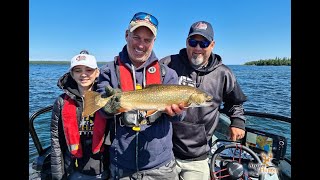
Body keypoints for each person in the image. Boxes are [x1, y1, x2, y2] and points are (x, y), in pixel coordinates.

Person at [96, 12, 185, 179]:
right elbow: (100, 109)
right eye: (136, 37)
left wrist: (177, 113)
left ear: (153, 42)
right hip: (121, 164)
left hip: (160, 165)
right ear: (126, 35)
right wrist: (108, 108)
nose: (141, 45)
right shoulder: (108, 71)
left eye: (147, 40)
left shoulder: (168, 74)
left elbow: (180, 117)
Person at [159, 21, 247, 180]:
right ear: (187, 42)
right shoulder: (168, 64)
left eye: (204, 42)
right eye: (193, 42)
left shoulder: (223, 73)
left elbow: (235, 102)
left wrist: (237, 121)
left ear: (212, 45)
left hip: (198, 154)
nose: (197, 48)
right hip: (164, 149)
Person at [50, 50, 110, 180]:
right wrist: (58, 176)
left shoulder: (107, 99)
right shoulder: (61, 102)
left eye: (89, 70)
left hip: (105, 167)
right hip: (74, 169)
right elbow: (56, 141)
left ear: (97, 72)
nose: (83, 74)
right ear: (71, 74)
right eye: (77, 70)